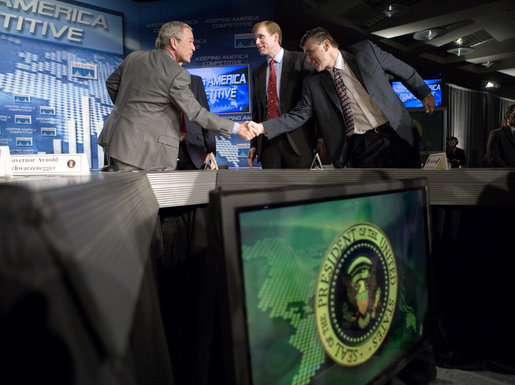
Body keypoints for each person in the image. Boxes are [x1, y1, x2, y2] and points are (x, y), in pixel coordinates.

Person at [249, 27, 435, 168]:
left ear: (326, 45)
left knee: (412, 194)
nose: (308, 60)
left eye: (310, 53)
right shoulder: (313, 83)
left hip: (396, 133)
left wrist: (424, 92)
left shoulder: (365, 52)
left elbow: (400, 68)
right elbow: (298, 115)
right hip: (363, 146)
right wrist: (263, 127)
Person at [97, 21, 254, 171]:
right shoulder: (176, 73)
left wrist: (130, 111)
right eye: (190, 41)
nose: (193, 47)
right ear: (173, 43)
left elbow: (112, 84)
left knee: (128, 197)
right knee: (147, 197)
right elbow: (197, 113)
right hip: (145, 153)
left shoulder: (134, 58)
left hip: (117, 142)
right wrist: (237, 128)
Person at [248, 21, 317, 169]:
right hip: (268, 145)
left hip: (298, 143)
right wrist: (254, 145)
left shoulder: (301, 61)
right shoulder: (258, 72)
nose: (257, 42)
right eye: (255, 38)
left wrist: (321, 138)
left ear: (275, 37)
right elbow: (258, 111)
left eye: (261, 37)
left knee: (300, 191)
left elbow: (313, 105)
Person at [176, 74, 217, 170]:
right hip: (168, 149)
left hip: (195, 150)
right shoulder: (159, 81)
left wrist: (211, 150)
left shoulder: (195, 81)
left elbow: (205, 116)